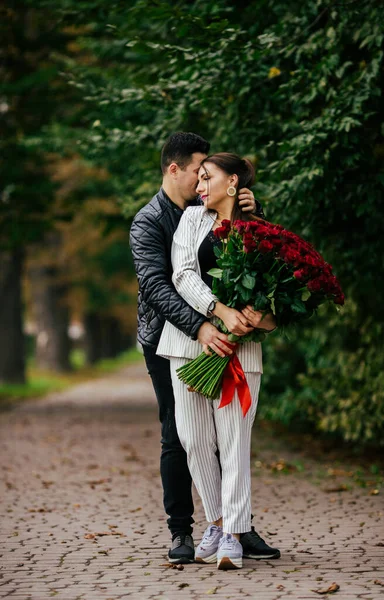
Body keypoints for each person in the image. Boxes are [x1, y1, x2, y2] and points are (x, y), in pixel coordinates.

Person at [130, 133, 280, 564]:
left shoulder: (233, 215)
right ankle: (187, 530)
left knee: (231, 440)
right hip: (171, 337)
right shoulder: (154, 221)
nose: (200, 180)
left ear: (229, 181)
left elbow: (264, 267)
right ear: (175, 169)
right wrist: (206, 322)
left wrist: (249, 317)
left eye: (207, 173)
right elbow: (164, 282)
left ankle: (235, 528)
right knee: (183, 439)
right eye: (198, 171)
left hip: (233, 343)